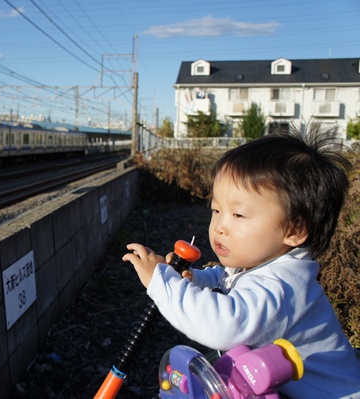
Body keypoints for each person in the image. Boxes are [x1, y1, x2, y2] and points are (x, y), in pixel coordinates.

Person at [122, 128, 360, 398]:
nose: (220, 226)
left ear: (294, 230)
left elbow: (223, 326)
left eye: (238, 214)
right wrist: (196, 278)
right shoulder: (268, 263)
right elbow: (227, 278)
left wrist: (160, 282)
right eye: (216, 210)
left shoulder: (280, 286)